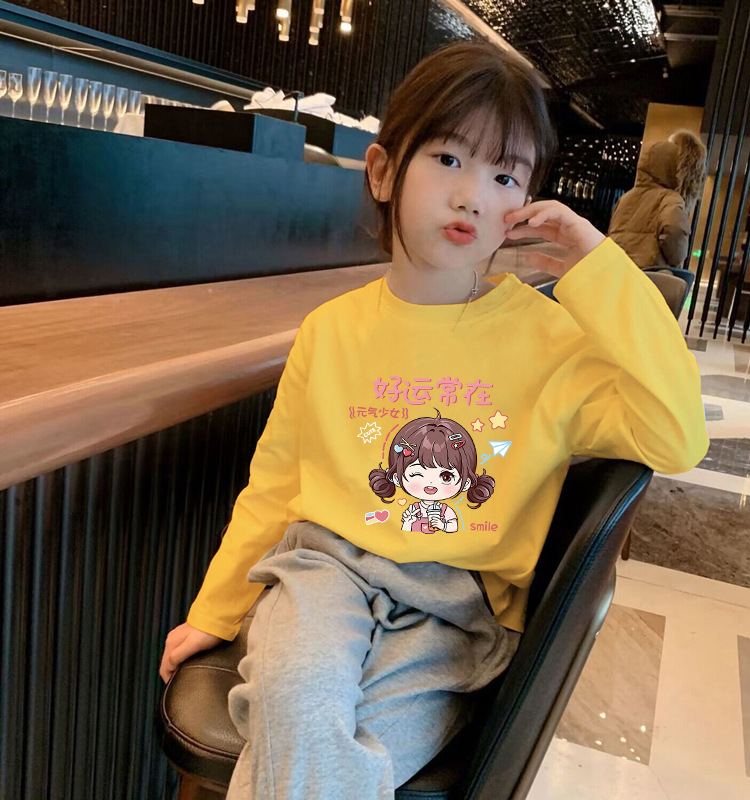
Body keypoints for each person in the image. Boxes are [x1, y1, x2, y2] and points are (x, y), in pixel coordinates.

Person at [159, 41, 710, 800]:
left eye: (505, 176)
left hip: (455, 611)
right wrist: (215, 611)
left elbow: (678, 438)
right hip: (322, 574)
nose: (473, 195)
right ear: (383, 173)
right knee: (299, 705)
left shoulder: (550, 342)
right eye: (449, 159)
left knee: (337, 761)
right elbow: (275, 486)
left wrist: (597, 262)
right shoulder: (331, 331)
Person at [607, 129, 707, 298]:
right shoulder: (670, 199)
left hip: (619, 271)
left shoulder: (626, 197)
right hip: (649, 275)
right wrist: (675, 258)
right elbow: (674, 232)